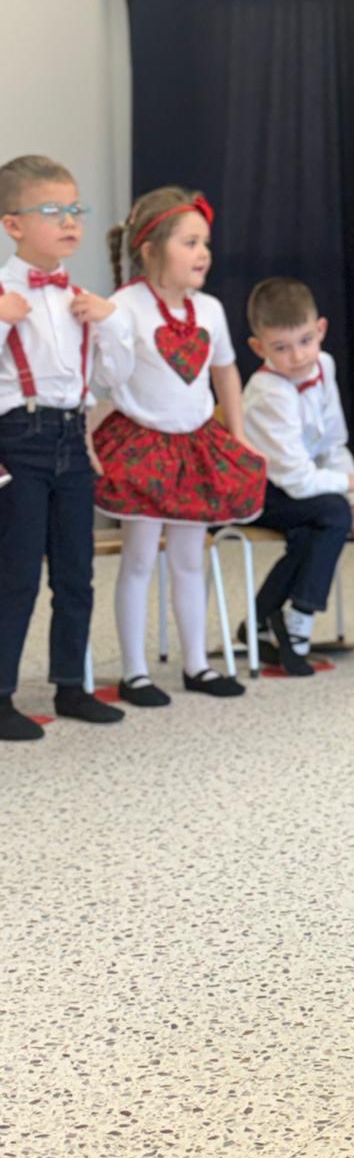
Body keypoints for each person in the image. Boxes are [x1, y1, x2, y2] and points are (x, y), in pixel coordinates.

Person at [91, 186, 266, 703]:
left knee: (190, 560)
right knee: (139, 559)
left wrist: (237, 435)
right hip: (142, 448)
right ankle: (135, 673)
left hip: (195, 448)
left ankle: (197, 665)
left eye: (205, 243)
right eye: (190, 243)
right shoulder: (124, 307)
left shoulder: (209, 309)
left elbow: (226, 371)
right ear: (150, 250)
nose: (203, 253)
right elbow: (105, 377)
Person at [0, 155, 135, 742]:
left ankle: (71, 686)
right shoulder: (3, 293)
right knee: (16, 574)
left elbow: (115, 377)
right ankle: (0, 694)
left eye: (75, 209)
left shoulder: (82, 298)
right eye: (52, 209)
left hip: (72, 440)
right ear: (13, 224)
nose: (69, 220)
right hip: (19, 439)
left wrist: (111, 323)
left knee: (76, 573)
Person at [239, 276, 354, 674]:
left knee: (323, 523)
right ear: (258, 348)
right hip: (255, 491)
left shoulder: (324, 365)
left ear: (321, 329)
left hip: (299, 489)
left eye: (305, 340)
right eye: (281, 347)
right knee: (331, 515)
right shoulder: (269, 392)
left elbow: (332, 446)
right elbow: (298, 480)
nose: (298, 356)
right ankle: (298, 621)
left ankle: (261, 619)